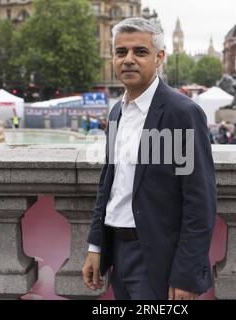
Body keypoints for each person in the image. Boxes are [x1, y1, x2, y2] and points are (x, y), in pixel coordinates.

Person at [82, 17, 216, 300]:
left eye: (139, 52)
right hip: (118, 252)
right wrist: (96, 246)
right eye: (121, 52)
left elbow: (199, 199)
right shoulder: (117, 111)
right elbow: (110, 183)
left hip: (158, 259)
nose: (128, 60)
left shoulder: (182, 113)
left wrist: (186, 273)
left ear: (159, 58)